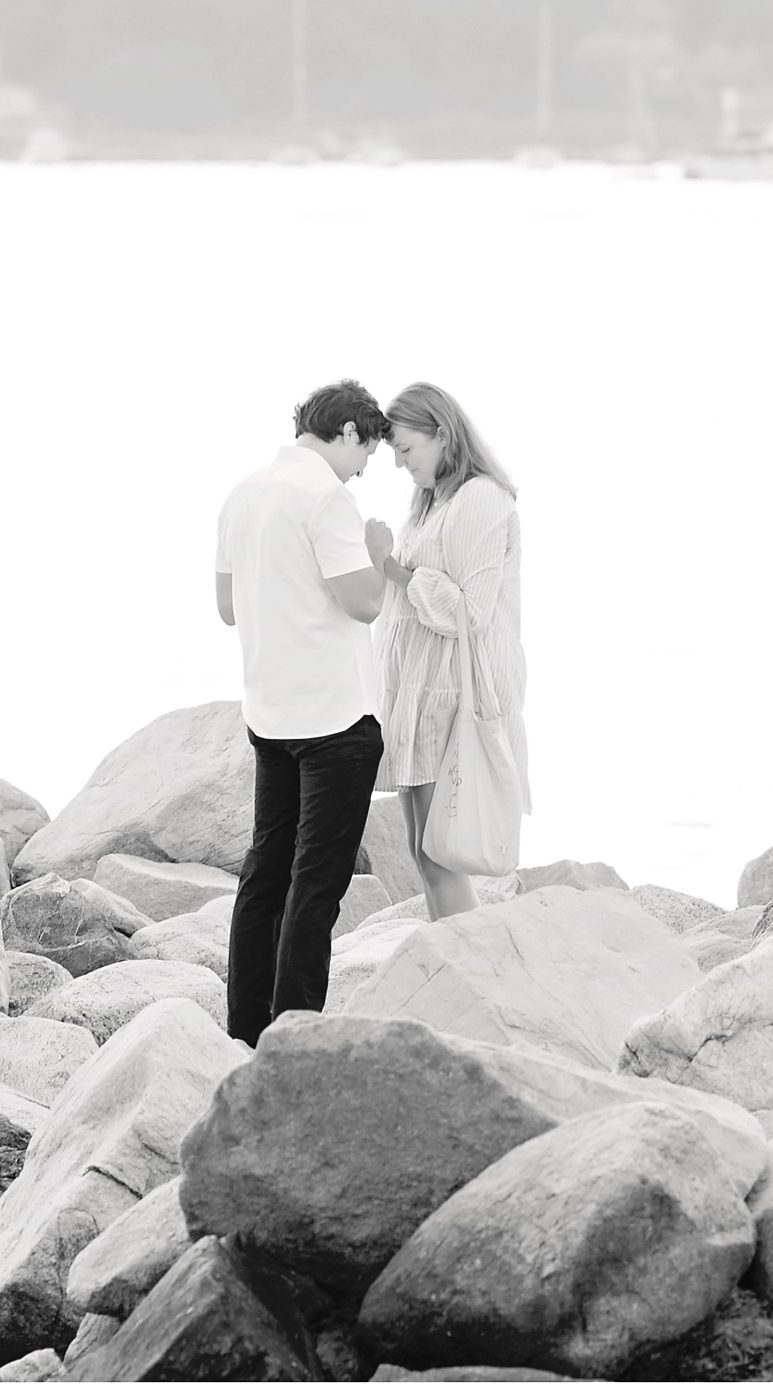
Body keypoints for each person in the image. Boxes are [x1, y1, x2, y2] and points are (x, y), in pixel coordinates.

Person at [214, 379, 396, 1046]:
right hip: (336, 722)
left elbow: (229, 608)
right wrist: (380, 554)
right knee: (315, 886)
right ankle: (291, 1034)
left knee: (265, 876)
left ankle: (241, 1030)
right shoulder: (327, 498)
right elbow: (365, 603)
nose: (363, 468)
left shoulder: (244, 494)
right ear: (347, 432)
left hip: (271, 717)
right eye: (366, 453)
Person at [374, 382, 531, 921]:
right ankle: (453, 964)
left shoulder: (481, 499)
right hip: (417, 695)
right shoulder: (427, 502)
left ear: (441, 433)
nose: (398, 463)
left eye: (405, 448)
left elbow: (469, 609)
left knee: (443, 854)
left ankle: (472, 971)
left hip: (453, 694)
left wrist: (392, 569)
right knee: (424, 852)